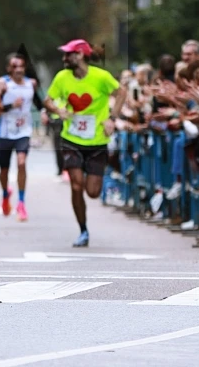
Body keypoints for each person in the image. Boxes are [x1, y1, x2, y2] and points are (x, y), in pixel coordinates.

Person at [43, 39, 127, 248]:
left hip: (97, 141)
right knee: (76, 184)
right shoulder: (62, 77)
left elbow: (121, 93)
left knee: (92, 191)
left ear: (79, 55)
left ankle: (94, 180)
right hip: (71, 139)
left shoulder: (101, 77)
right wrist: (58, 110)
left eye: (67, 54)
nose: (64, 59)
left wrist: (112, 119)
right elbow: (48, 100)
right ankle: (83, 230)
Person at [0, 53, 37, 221]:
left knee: (22, 162)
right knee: (4, 170)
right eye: (14, 66)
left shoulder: (31, 84)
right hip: (5, 132)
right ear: (8, 68)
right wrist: (11, 105)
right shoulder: (3, 84)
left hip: (23, 131)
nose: (18, 70)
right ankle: (5, 194)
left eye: (21, 66)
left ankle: (21, 203)